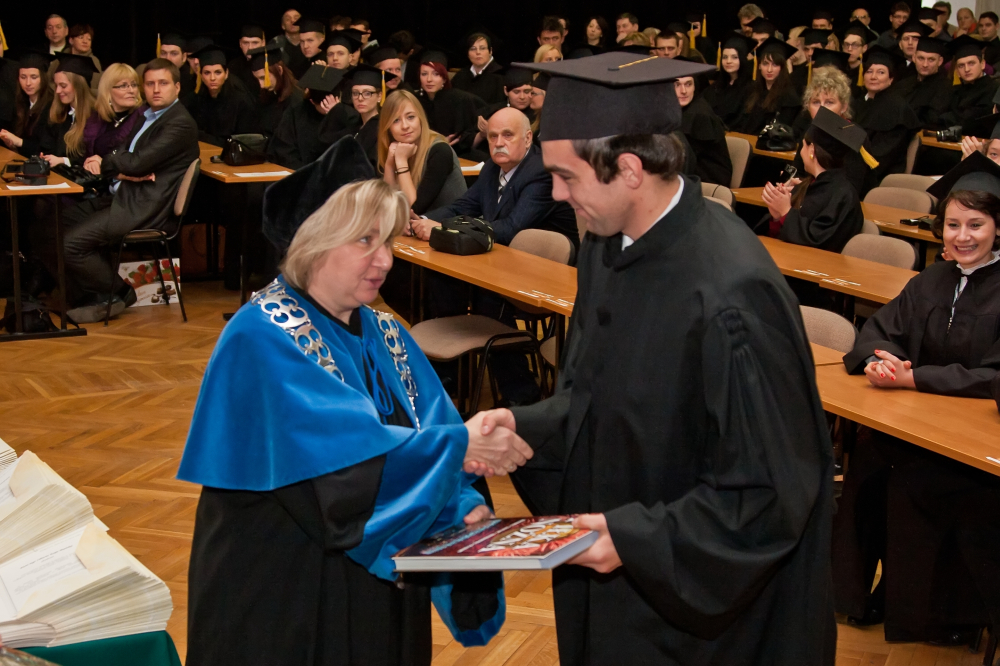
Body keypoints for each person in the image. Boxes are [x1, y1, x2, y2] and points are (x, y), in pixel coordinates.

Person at [500, 51, 836, 665]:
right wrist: (520, 429)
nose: (555, 193)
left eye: (566, 176)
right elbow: (600, 399)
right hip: (616, 581)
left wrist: (633, 541)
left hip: (700, 622)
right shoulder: (606, 247)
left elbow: (770, 495)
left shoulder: (731, 295)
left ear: (629, 169)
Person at [181, 157, 519, 665]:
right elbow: (342, 471)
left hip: (381, 580)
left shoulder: (387, 333)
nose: (385, 260)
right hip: (285, 587)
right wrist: (459, 448)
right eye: (365, 241)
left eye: (388, 242)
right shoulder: (260, 335)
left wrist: (463, 509)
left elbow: (438, 431)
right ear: (314, 242)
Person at [835, 152, 1000, 643]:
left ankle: (937, 620)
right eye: (953, 224)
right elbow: (879, 330)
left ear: (998, 228)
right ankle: (854, 597)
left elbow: (993, 376)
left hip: (974, 441)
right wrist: (880, 361)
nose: (962, 236)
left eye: (976, 224)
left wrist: (915, 379)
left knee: (920, 483)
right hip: (916, 423)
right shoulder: (931, 279)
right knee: (867, 464)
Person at [53, 58, 199, 322]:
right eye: (150, 84)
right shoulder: (148, 116)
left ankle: (120, 292)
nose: (156, 89)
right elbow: (124, 155)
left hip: (144, 206)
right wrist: (118, 165)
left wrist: (108, 162)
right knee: (50, 224)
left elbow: (136, 162)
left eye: (163, 83)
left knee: (70, 244)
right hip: (123, 195)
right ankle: (94, 295)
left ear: (177, 87)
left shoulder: (179, 123)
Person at [419, 107, 576, 246]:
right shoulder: (491, 167)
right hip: (504, 256)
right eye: (493, 136)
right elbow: (460, 208)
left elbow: (511, 228)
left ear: (528, 138)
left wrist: (444, 228)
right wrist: (421, 220)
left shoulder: (543, 172)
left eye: (507, 135)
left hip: (548, 264)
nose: (499, 143)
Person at [762, 107, 866, 251]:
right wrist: (777, 216)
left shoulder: (843, 196)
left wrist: (786, 212)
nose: (800, 152)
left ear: (812, 151)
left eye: (803, 146)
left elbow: (819, 242)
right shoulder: (807, 185)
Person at [379, 90, 466, 216]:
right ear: (388, 128)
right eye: (396, 120)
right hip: (420, 226)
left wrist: (401, 162)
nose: (405, 126)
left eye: (410, 117)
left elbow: (413, 209)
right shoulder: (398, 149)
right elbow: (388, 207)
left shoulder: (440, 151)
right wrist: (389, 165)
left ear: (420, 118)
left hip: (451, 225)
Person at [853, 46, 920, 194]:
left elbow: (882, 157)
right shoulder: (857, 103)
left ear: (891, 79)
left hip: (879, 175)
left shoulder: (897, 108)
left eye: (881, 72)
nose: (873, 76)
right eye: (869, 71)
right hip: (856, 167)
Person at [268, 65, 361, 170]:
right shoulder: (296, 113)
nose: (327, 109)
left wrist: (336, 113)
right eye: (323, 105)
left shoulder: (349, 116)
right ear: (311, 101)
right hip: (301, 173)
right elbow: (285, 150)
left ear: (339, 98)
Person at [416, 52, 482, 160]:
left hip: (458, 153)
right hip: (422, 152)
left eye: (436, 74)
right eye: (424, 74)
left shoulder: (460, 99)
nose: (429, 79)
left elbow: (467, 135)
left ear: (444, 78)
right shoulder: (414, 101)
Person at [674, 66, 732, 187]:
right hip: (688, 175)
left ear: (695, 86)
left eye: (688, 84)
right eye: (677, 85)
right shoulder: (675, 111)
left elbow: (686, 160)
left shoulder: (700, 113)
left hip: (710, 179)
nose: (683, 91)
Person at [188, 44, 257, 146]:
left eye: (218, 72)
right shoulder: (197, 99)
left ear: (226, 74)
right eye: (207, 73)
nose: (212, 78)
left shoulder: (241, 101)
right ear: (201, 75)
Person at [39, 54, 98, 167]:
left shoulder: (96, 116)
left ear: (79, 86)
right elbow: (46, 146)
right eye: (56, 85)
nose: (58, 91)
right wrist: (46, 157)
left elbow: (91, 157)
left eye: (63, 85)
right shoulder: (59, 112)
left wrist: (63, 161)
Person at [734, 38, 801, 135]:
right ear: (759, 66)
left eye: (775, 65)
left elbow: (782, 131)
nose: (769, 70)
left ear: (782, 67)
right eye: (765, 64)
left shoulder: (788, 97)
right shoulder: (751, 90)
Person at [84, 63, 144, 159]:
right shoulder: (96, 118)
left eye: (134, 85)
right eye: (123, 86)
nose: (131, 90)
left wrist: (102, 163)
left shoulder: (143, 118)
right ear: (107, 91)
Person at [0, 52, 55, 156]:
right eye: (23, 77)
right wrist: (11, 144)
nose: (28, 83)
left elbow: (46, 149)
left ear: (43, 78)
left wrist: (19, 142)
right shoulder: (20, 103)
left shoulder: (52, 106)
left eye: (34, 77)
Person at [941, 36, 999, 129]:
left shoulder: (994, 88)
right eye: (961, 65)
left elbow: (971, 122)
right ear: (957, 71)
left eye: (971, 63)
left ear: (982, 64)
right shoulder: (954, 92)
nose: (966, 69)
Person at [895, 37, 951, 129]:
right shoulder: (903, 84)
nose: (925, 64)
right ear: (914, 58)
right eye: (921, 58)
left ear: (940, 61)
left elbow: (932, 120)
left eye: (931, 60)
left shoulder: (945, 87)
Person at [248, 44, 301, 138]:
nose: (261, 85)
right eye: (257, 79)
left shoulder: (296, 100)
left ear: (279, 70)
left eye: (263, 78)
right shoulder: (268, 95)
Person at [704, 35, 755, 129]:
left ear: (742, 59)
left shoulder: (751, 88)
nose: (728, 61)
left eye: (734, 57)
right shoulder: (716, 86)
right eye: (725, 57)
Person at [350, 64, 395, 167]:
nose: (360, 98)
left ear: (379, 96)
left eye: (367, 93)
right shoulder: (353, 126)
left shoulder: (383, 128)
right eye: (355, 93)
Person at [450, 33, 505, 105]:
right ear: (468, 53)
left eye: (482, 48)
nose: (478, 52)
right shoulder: (461, 75)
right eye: (473, 49)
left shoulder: (500, 75)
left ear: (490, 51)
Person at [155, 34, 197, 108]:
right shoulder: (154, 75)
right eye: (163, 53)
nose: (168, 58)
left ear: (184, 57)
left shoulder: (191, 81)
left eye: (174, 54)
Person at [228, 25, 265, 93]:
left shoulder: (271, 66)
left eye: (255, 43)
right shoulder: (233, 66)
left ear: (263, 43)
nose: (250, 47)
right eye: (245, 43)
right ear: (240, 43)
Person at [841, 20, 871, 94]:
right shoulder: (838, 71)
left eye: (855, 45)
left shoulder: (869, 72)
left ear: (864, 48)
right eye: (846, 44)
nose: (849, 49)